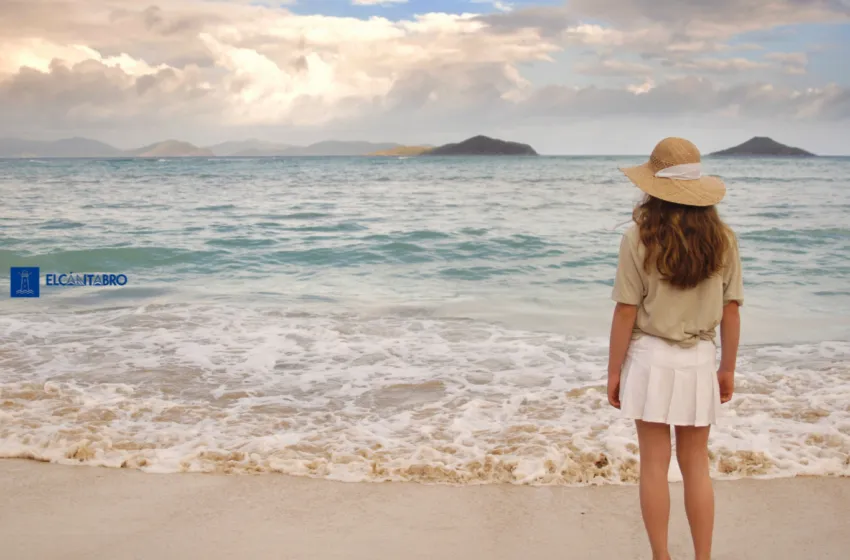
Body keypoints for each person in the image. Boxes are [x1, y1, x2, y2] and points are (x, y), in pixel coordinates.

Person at [606, 137, 744, 560]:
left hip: (650, 358)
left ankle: (661, 557)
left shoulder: (638, 237)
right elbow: (731, 309)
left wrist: (613, 372)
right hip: (700, 359)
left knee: (653, 464)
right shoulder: (723, 239)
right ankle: (703, 557)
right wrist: (727, 368)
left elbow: (626, 310)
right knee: (696, 465)